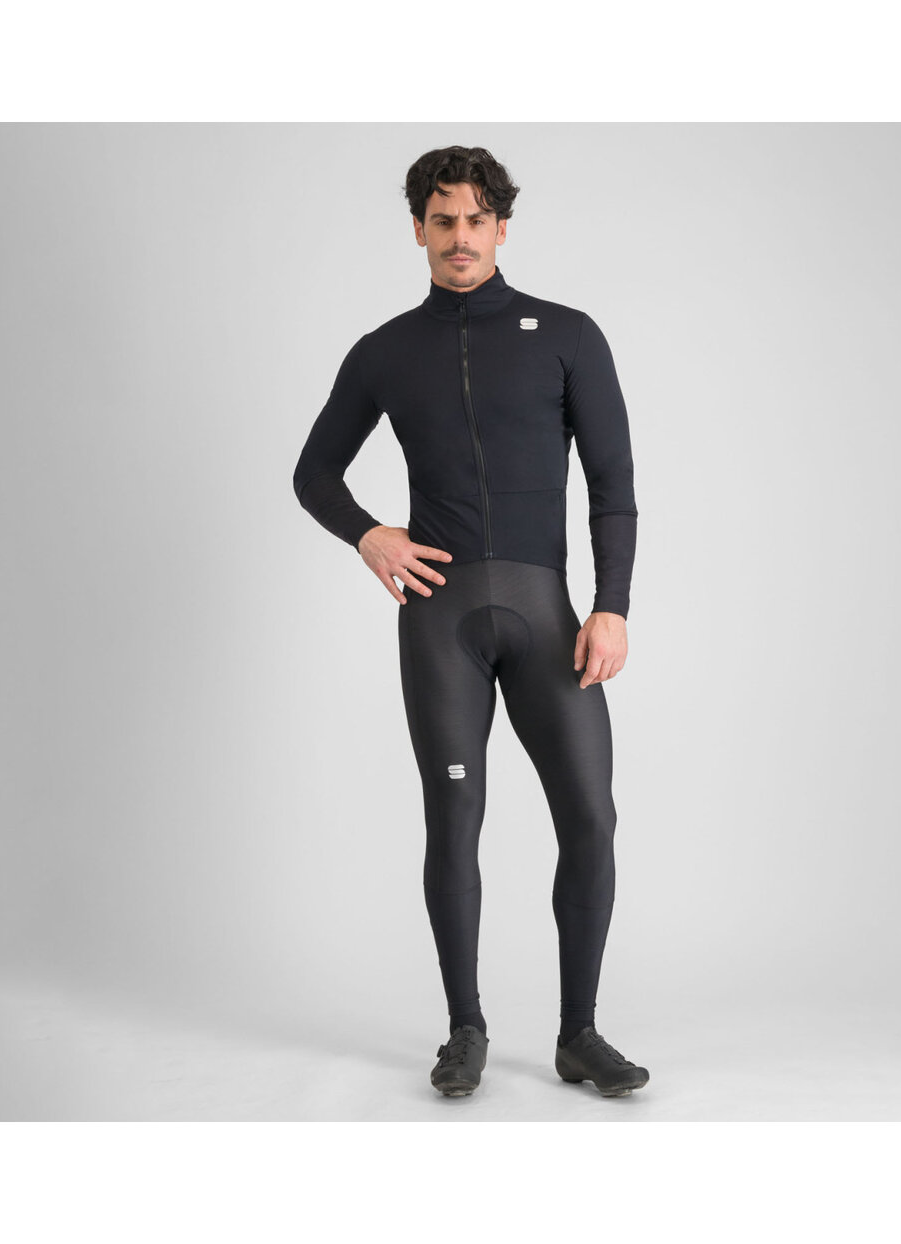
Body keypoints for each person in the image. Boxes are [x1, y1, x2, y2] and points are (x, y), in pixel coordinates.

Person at [292, 146, 649, 1099]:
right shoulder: (384, 351)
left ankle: (579, 1034)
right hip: (440, 621)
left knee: (591, 817)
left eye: (476, 219)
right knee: (454, 820)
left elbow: (612, 485)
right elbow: (313, 474)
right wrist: (370, 534)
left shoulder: (568, 334)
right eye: (443, 220)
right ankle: (465, 1030)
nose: (460, 237)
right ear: (418, 229)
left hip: (547, 617)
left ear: (502, 228)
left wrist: (612, 605)